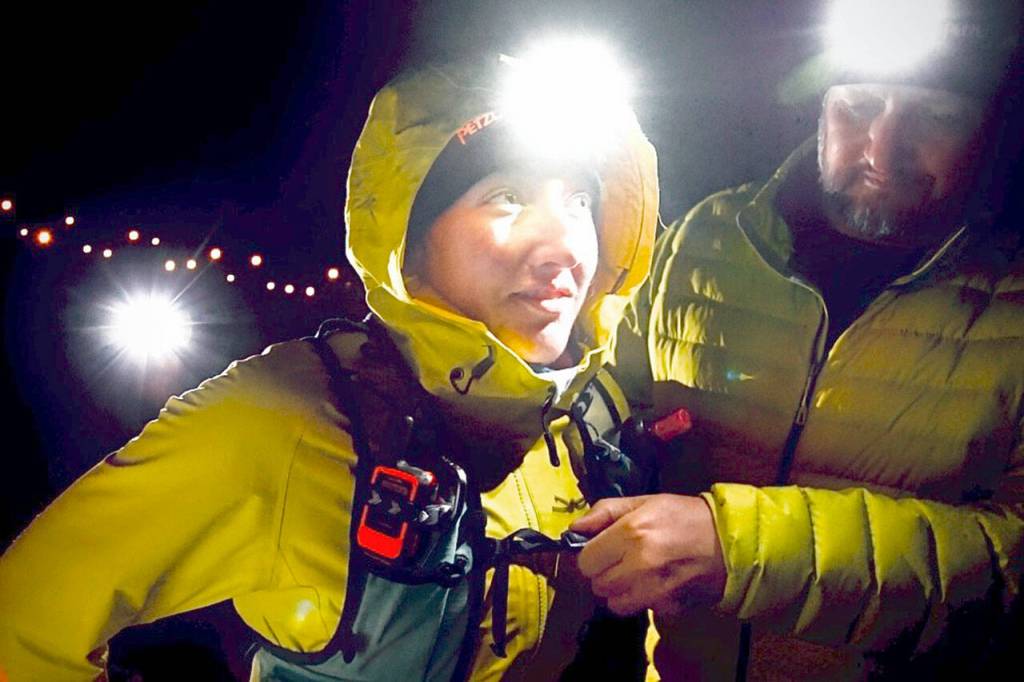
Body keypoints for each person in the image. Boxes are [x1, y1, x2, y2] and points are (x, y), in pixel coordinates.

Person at [0, 58, 659, 680]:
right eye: (506, 198)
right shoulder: (283, 418)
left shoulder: (586, 425)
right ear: (412, 242)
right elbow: (24, 618)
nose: (563, 248)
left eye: (579, 202)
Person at [572, 2, 1024, 679]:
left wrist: (744, 549)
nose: (881, 150)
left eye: (936, 115)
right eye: (859, 105)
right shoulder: (706, 241)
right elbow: (613, 400)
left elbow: (1009, 566)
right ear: (819, 108)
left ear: (989, 128)